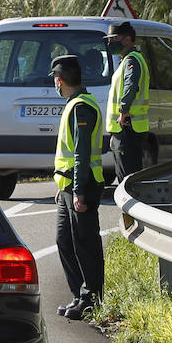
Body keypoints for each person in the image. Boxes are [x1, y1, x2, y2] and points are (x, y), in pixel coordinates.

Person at [51, 54, 104, 321]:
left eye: (55, 81)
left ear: (60, 80)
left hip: (82, 184)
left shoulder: (81, 107)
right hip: (69, 185)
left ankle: (91, 298)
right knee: (65, 240)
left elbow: (82, 153)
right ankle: (78, 295)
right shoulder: (74, 104)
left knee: (85, 243)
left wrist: (79, 190)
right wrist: (66, 186)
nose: (55, 86)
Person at [102, 21, 150, 184]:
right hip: (125, 128)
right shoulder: (128, 60)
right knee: (129, 175)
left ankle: (130, 209)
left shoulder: (132, 61)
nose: (111, 43)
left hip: (128, 126)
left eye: (115, 38)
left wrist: (123, 112)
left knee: (127, 179)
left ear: (128, 39)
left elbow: (130, 86)